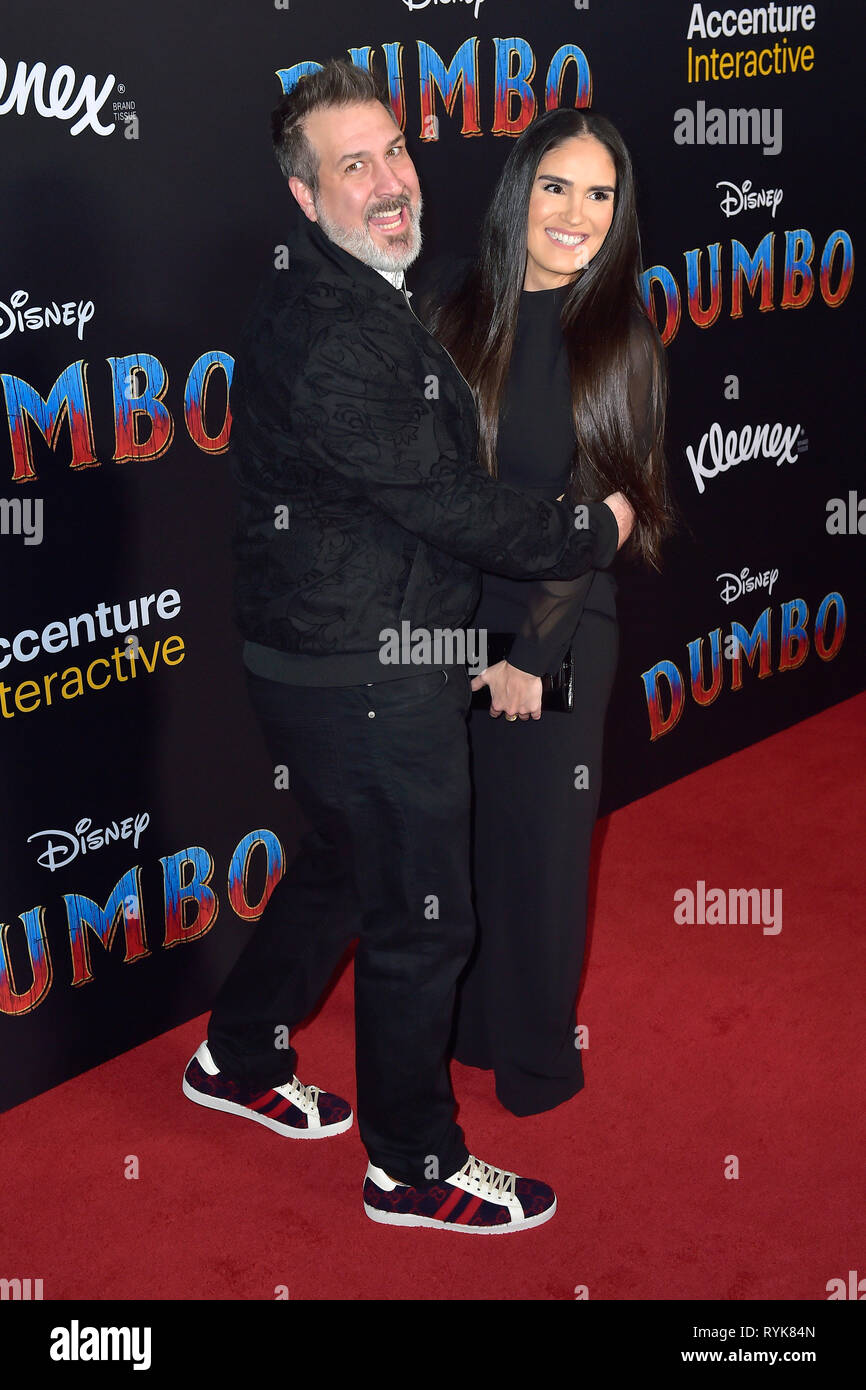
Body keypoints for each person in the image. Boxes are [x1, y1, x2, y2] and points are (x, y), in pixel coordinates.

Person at [182, 60, 635, 1234]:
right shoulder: (342, 332)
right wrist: (589, 526)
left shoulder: (366, 291)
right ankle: (413, 1167)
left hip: (334, 655)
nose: (387, 182)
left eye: (393, 151)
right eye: (351, 165)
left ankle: (234, 1055)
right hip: (367, 674)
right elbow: (449, 506)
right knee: (424, 918)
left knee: (338, 868)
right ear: (302, 195)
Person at [420, 108, 672, 1116]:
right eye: (555, 186)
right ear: (517, 190)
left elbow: (606, 512)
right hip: (443, 623)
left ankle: (533, 1057)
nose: (575, 213)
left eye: (599, 194)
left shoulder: (617, 344)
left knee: (539, 852)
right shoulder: (453, 313)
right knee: (463, 845)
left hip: (552, 630)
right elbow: (425, 490)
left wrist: (527, 654)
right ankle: (467, 1027)